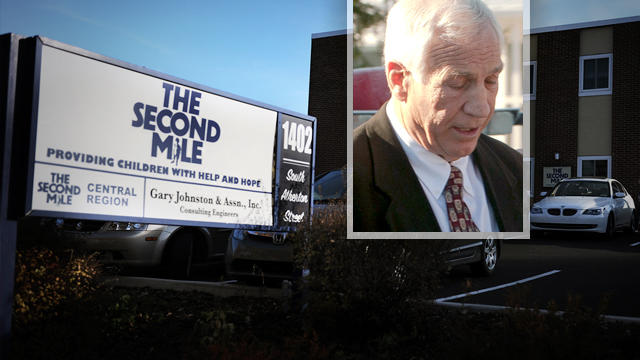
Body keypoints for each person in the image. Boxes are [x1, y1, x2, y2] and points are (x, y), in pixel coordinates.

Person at [353, 0, 522, 232]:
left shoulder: (514, 168)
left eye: (491, 80)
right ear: (399, 80)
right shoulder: (348, 180)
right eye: (457, 83)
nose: (482, 109)